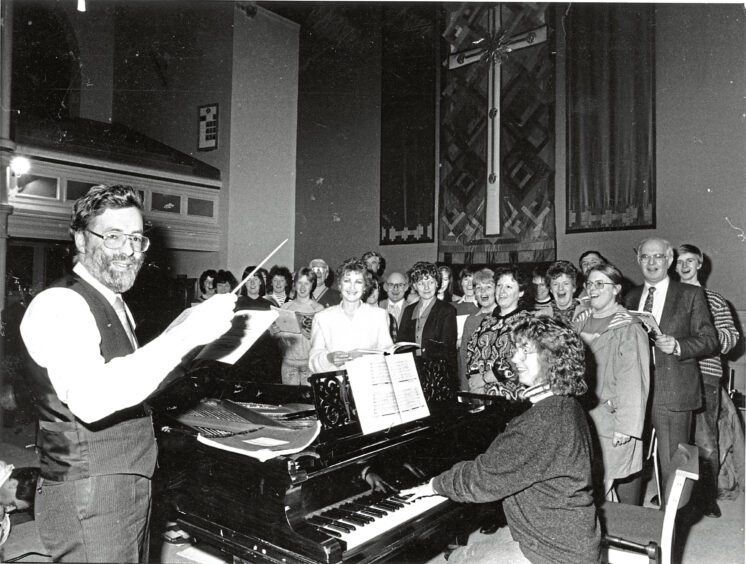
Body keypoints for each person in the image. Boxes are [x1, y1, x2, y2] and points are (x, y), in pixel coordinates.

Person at [19, 184, 236, 562]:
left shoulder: (114, 302)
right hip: (89, 491)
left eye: (136, 238)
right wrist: (185, 336)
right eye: (114, 236)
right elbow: (90, 400)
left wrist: (188, 353)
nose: (130, 251)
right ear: (81, 240)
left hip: (124, 479)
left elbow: (130, 383)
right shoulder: (60, 303)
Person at [402, 317, 601, 564]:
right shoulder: (565, 405)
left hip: (554, 553)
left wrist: (433, 485)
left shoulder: (543, 419)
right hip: (568, 538)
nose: (514, 359)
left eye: (525, 352)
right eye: (516, 350)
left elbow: (481, 480)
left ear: (551, 359)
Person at [624, 237, 718, 504]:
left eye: (658, 257)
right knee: (631, 460)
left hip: (673, 391)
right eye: (645, 257)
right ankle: (630, 526)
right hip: (635, 391)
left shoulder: (690, 294)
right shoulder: (630, 296)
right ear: (638, 260)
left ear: (669, 260)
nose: (651, 263)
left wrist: (678, 345)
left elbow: (709, 339)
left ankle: (668, 531)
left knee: (671, 465)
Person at [575, 264, 650, 504]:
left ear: (616, 289)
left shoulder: (628, 326)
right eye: (589, 284)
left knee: (599, 485)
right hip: (581, 417)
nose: (593, 289)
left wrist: (625, 427)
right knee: (590, 485)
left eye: (600, 284)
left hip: (610, 420)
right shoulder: (580, 322)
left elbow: (633, 381)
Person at [676, 243, 740, 518]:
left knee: (706, 440)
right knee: (675, 437)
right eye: (679, 261)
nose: (685, 265)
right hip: (673, 375)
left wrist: (706, 338)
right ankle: (676, 494)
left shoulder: (715, 300)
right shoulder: (668, 299)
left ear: (700, 263)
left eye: (690, 260)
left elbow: (731, 339)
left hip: (706, 375)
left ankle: (705, 497)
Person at [309, 258, 393, 372]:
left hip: (369, 383)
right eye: (347, 281)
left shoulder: (379, 316)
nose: (352, 287)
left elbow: (388, 355)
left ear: (365, 287)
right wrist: (328, 358)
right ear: (339, 285)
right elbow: (313, 360)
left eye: (358, 282)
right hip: (335, 385)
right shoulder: (322, 318)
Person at [464, 265, 533, 399]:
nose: (502, 291)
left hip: (510, 398)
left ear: (521, 292)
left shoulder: (528, 321)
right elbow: (471, 351)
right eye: (499, 285)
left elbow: (519, 360)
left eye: (508, 287)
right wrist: (475, 381)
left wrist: (484, 379)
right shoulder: (487, 321)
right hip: (480, 395)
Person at [397, 262, 458, 377]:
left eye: (430, 282)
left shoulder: (447, 310)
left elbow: (448, 350)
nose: (426, 287)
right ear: (414, 286)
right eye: (421, 283)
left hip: (436, 374)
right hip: (411, 371)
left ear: (437, 283)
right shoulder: (408, 310)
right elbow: (401, 345)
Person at [273, 268, 324, 386]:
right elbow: (277, 339)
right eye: (299, 283)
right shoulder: (285, 307)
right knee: (290, 401)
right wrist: (275, 331)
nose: (302, 287)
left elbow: (323, 339)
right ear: (294, 285)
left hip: (309, 364)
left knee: (309, 402)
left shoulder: (318, 309)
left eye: (307, 283)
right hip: (288, 363)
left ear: (312, 285)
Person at [457, 268, 496, 391]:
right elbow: (464, 356)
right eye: (478, 288)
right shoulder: (471, 320)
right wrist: (464, 388)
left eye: (488, 287)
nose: (483, 292)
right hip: (474, 389)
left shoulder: (503, 317)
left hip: (499, 388)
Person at [545, 260, 586, 325]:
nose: (560, 288)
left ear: (574, 287)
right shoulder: (540, 317)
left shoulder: (588, 315)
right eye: (555, 284)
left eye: (566, 283)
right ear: (550, 289)